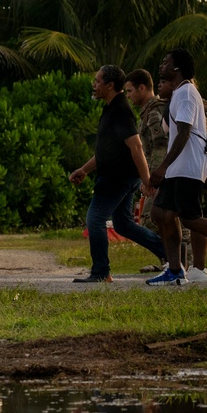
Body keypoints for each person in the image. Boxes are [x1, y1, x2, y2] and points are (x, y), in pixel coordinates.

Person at [147, 48, 207, 286]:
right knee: (160, 213)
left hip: (188, 166)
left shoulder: (187, 92)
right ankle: (175, 270)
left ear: (177, 68)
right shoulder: (179, 93)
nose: (161, 66)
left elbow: (184, 133)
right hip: (178, 167)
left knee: (190, 218)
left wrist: (162, 167)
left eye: (166, 62)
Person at [69, 64, 165, 283]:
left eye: (97, 81)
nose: (94, 85)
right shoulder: (112, 107)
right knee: (123, 224)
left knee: (94, 220)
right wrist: (84, 169)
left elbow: (136, 146)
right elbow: (107, 151)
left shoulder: (121, 110)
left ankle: (101, 272)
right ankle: (169, 252)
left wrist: (147, 179)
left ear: (110, 85)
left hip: (117, 178)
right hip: (119, 176)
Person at [125, 68, 196, 275]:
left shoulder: (155, 110)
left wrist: (152, 178)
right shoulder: (148, 110)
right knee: (156, 218)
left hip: (162, 173)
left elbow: (160, 146)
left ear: (142, 88)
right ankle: (170, 261)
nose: (128, 96)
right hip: (157, 172)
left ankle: (182, 263)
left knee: (157, 217)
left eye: (130, 91)